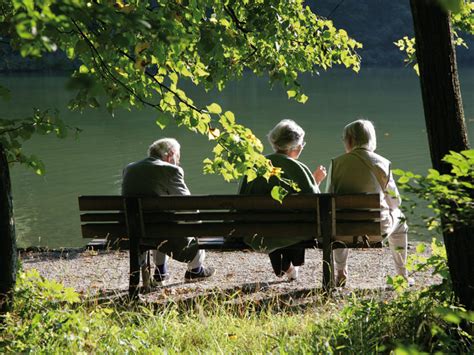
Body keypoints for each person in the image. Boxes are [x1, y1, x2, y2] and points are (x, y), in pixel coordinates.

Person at [326, 119, 411, 287]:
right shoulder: (383, 163)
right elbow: (395, 203)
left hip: (343, 232)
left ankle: (341, 271)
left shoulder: (336, 163)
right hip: (376, 231)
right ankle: (402, 275)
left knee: (339, 219)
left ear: (350, 140)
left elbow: (329, 199)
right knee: (400, 220)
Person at [239, 119, 327, 281]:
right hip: (295, 232)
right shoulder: (299, 168)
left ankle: (284, 265)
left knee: (272, 220)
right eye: (302, 144)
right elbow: (316, 204)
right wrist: (317, 181)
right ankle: (287, 264)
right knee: (295, 220)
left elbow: (241, 202)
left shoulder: (256, 166)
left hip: (258, 232)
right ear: (295, 146)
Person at [121, 138, 215, 286]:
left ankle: (161, 272)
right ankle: (195, 270)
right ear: (170, 154)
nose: (177, 161)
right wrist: (198, 227)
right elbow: (189, 205)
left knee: (157, 224)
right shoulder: (171, 170)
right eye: (178, 157)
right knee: (180, 227)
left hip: (132, 232)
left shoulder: (129, 168)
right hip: (161, 231)